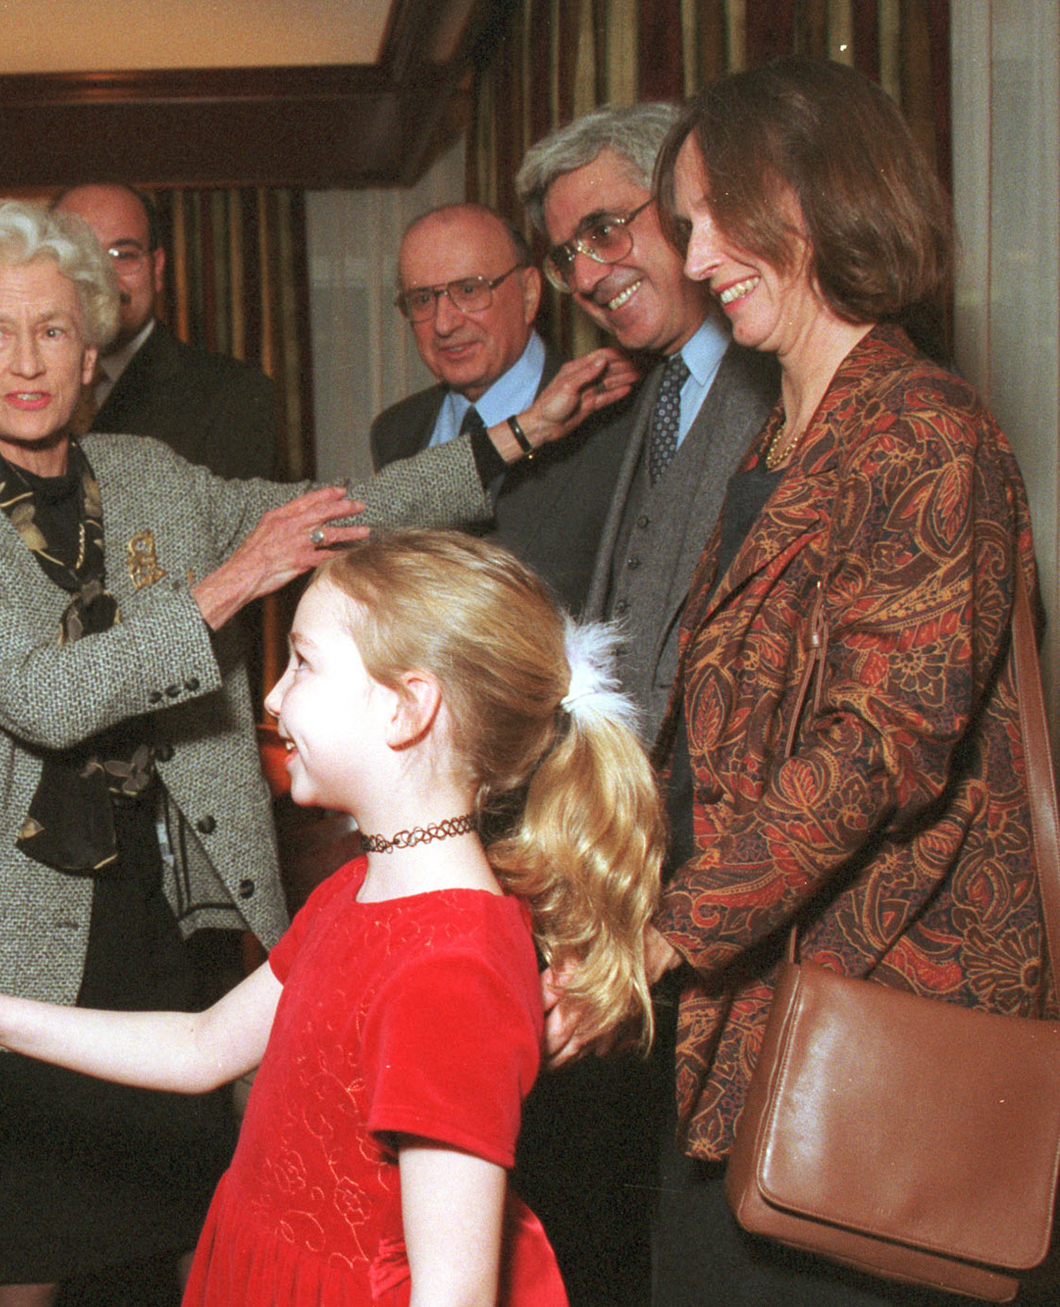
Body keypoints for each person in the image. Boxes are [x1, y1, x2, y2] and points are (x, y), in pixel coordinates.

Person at [0, 199, 633, 1307]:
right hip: (10, 918)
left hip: (158, 905)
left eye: (53, 329)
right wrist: (228, 583)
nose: (26, 360)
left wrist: (511, 439)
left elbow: (325, 510)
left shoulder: (148, 474)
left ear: (93, 347)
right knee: (19, 1252)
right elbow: (43, 694)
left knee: (189, 1210)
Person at [0, 528, 665, 1307]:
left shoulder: (453, 970)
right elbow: (203, 1045)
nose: (271, 696)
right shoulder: (360, 887)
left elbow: (453, 1294)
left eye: (302, 662)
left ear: (407, 707)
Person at [644, 55, 1048, 1306]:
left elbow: (879, 747)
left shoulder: (928, 431)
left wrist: (665, 931)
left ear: (814, 198)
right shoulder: (783, 435)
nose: (695, 251)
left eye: (716, 214)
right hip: (747, 1019)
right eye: (687, 221)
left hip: (877, 1031)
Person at [504, 103, 781, 1305]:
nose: (590, 272)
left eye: (610, 229)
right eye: (567, 254)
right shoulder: (651, 397)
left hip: (740, 912)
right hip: (641, 885)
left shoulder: (791, 391)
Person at [369, 204, 633, 613]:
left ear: (528, 293)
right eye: (422, 299)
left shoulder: (613, 414)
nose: (443, 324)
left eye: (469, 290)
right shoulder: (396, 432)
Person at [51, 183, 281, 480]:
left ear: (157, 268)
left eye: (123, 255)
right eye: (80, 256)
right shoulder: (4, 391)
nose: (103, 277)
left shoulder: (231, 397)